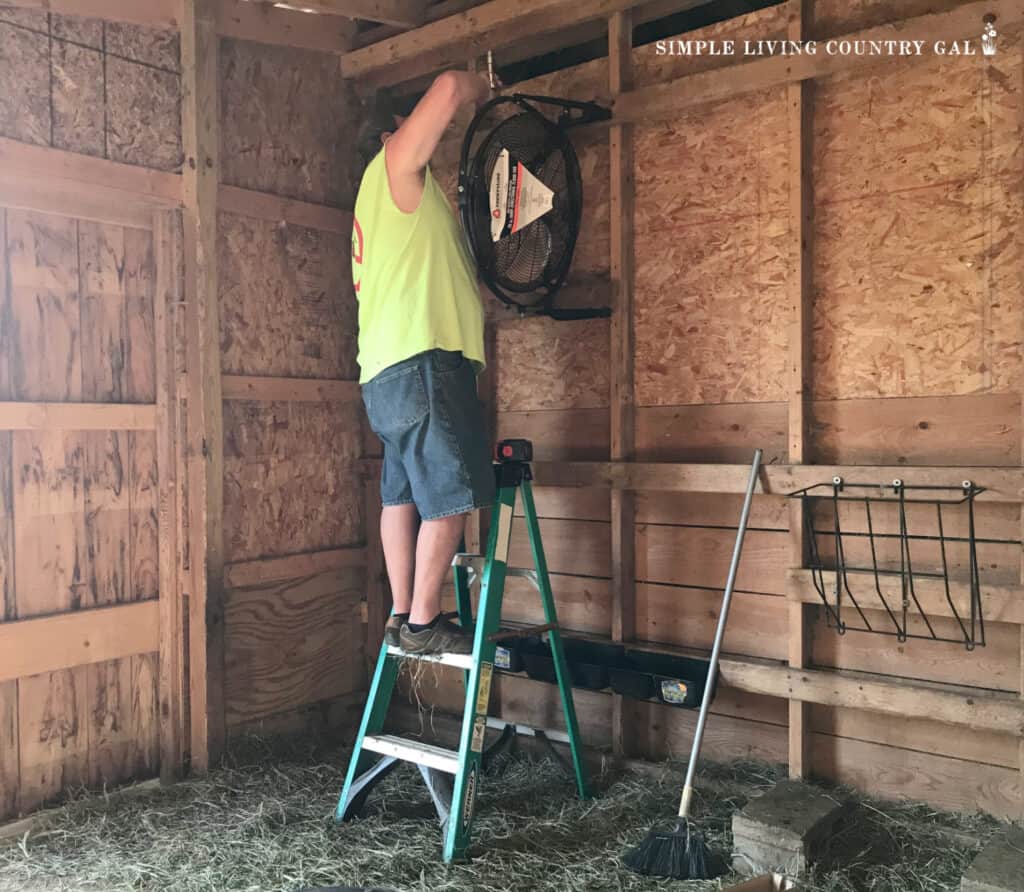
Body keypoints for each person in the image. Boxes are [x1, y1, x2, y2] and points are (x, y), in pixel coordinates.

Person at [352, 71, 496, 655]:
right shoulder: (393, 167)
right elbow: (450, 84)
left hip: (385, 375)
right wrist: (481, 88)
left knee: (401, 497)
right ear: (394, 130)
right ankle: (423, 625)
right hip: (424, 362)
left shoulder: (376, 202)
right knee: (454, 496)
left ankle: (401, 611)